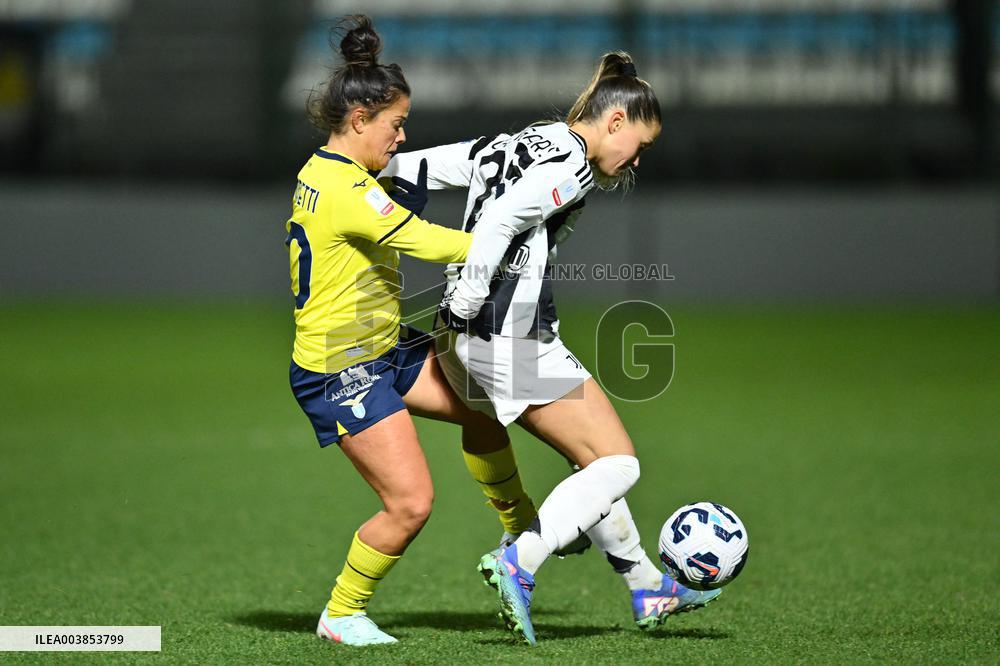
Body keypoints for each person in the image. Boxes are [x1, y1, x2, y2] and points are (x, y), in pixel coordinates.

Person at [380, 52, 720, 645]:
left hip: (470, 335)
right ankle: (521, 561)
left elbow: (446, 163)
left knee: (594, 465)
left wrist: (376, 176)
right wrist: (470, 295)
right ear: (613, 122)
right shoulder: (575, 164)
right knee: (619, 463)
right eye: (637, 146)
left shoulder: (526, 139)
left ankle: (647, 586)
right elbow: (504, 219)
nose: (635, 160)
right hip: (506, 334)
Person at [285, 15, 538, 647]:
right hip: (341, 368)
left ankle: (521, 530)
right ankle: (340, 615)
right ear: (361, 117)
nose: (403, 136)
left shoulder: (326, 173)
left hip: (383, 347)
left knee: (483, 406)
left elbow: (392, 216)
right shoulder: (348, 188)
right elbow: (422, 240)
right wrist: (505, 243)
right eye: (396, 124)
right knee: (411, 503)